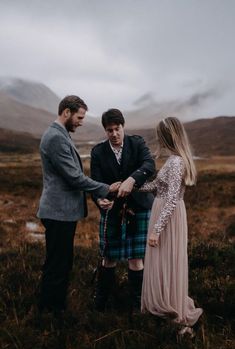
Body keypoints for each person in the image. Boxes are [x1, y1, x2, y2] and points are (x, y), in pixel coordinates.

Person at [37, 95, 119, 315]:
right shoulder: (55, 137)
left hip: (61, 212)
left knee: (60, 263)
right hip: (58, 212)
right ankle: (52, 312)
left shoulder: (60, 134)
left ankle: (51, 308)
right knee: (58, 265)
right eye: (79, 117)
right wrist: (107, 188)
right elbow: (74, 178)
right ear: (66, 112)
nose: (81, 122)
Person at [139, 117, 203, 336]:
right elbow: (156, 186)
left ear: (166, 136)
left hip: (168, 217)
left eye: (160, 135)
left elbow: (172, 198)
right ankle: (164, 305)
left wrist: (156, 230)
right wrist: (130, 187)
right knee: (163, 261)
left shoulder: (176, 162)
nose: (158, 139)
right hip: (164, 213)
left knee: (166, 260)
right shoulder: (174, 159)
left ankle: (171, 308)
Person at [90, 108, 155, 312]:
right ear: (105, 130)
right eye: (110, 130)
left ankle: (137, 306)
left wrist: (131, 179)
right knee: (108, 257)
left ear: (123, 126)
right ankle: (101, 304)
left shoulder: (137, 143)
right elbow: (95, 183)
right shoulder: (98, 152)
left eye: (117, 129)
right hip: (113, 211)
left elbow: (149, 164)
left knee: (136, 259)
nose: (114, 134)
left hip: (139, 207)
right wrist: (100, 199)